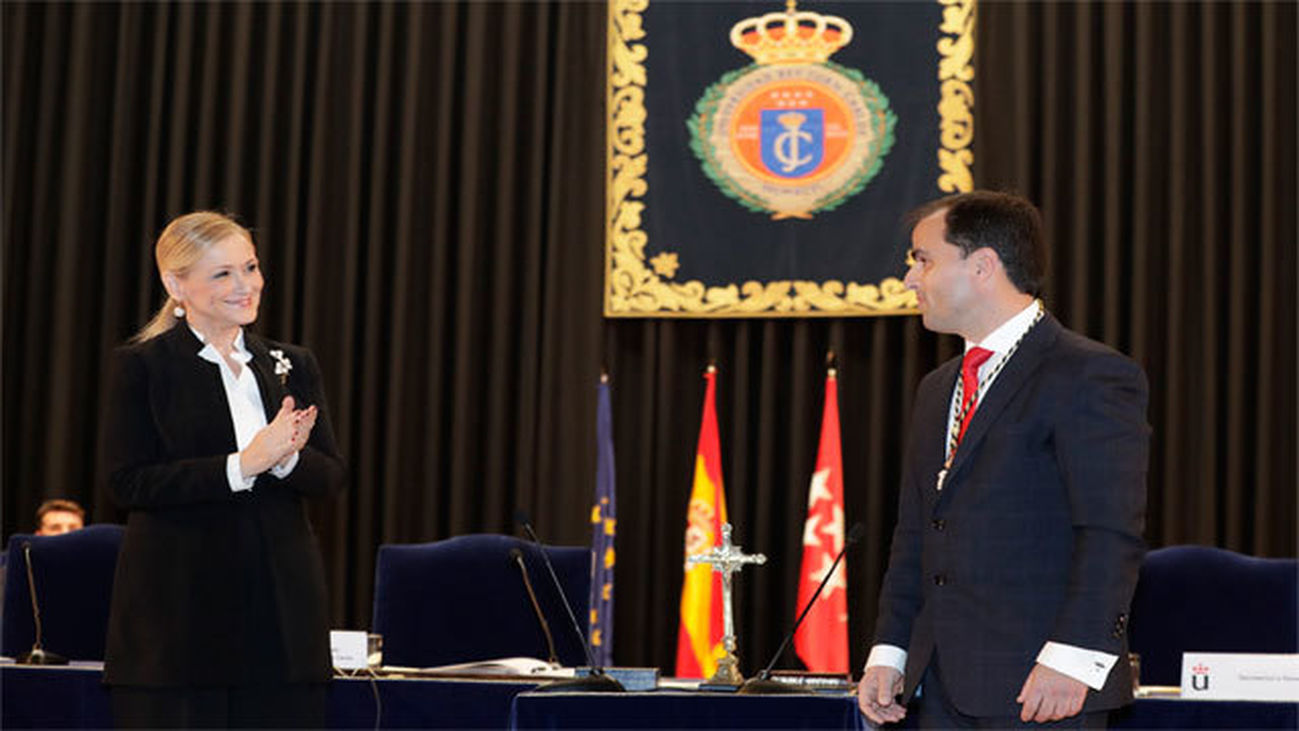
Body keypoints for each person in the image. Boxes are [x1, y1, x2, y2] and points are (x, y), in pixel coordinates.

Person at [857, 191, 1148, 728]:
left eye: (922, 259)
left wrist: (1073, 659)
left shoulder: (1088, 374)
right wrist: (890, 651)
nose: (909, 279)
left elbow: (1109, 532)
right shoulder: (937, 388)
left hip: (1046, 689)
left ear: (983, 265)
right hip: (940, 686)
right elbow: (917, 533)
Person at [100, 211, 345, 728]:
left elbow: (330, 476)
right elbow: (128, 481)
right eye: (222, 274)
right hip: (180, 626)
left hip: (281, 621)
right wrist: (241, 466)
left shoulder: (292, 362)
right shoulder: (144, 366)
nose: (246, 286)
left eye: (250, 267)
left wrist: (286, 459)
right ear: (175, 284)